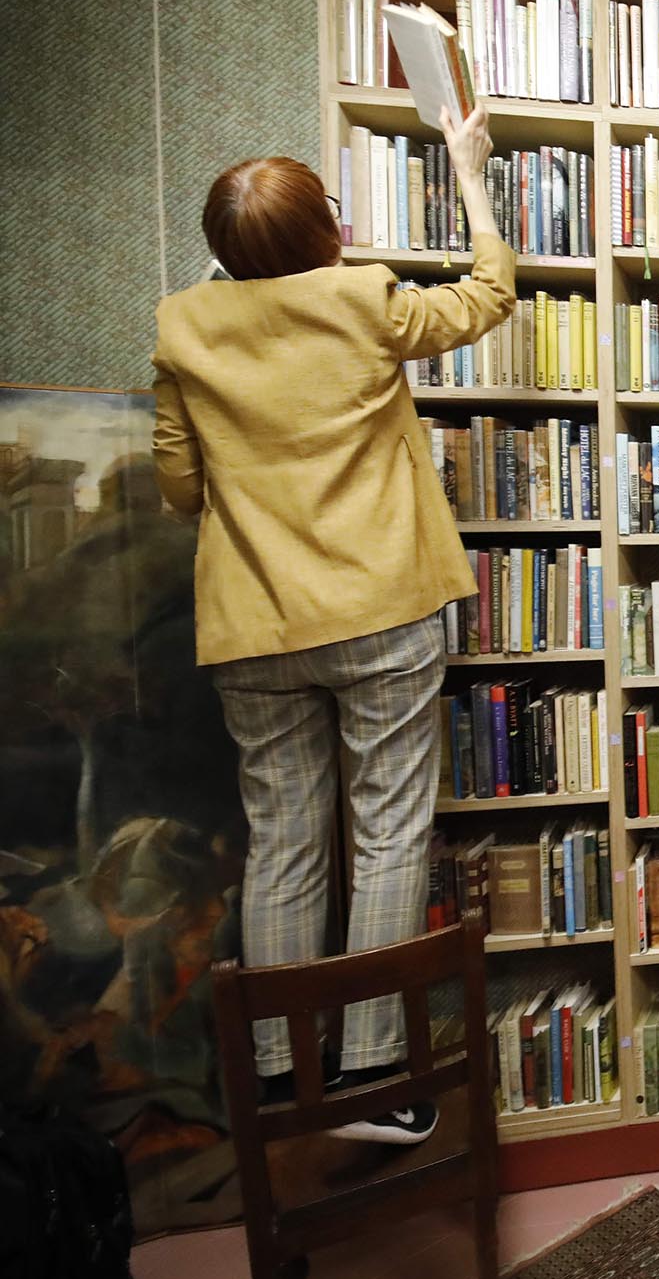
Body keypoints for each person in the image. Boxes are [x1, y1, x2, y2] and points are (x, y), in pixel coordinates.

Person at [151, 104, 514, 1146]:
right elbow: (488, 294)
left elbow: (180, 488)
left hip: (255, 622)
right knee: (388, 833)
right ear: (334, 235)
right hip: (382, 609)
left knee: (283, 844)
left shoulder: (182, 326)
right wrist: (468, 169)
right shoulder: (363, 300)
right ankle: (375, 1073)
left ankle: (273, 1075)